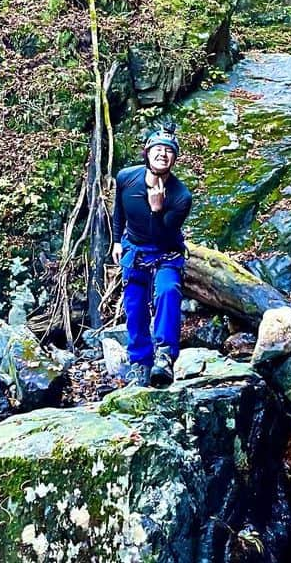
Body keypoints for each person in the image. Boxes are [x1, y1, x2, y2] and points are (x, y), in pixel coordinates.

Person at [111, 126, 192, 387]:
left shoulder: (181, 196)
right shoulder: (126, 177)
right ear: (147, 153)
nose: (163, 155)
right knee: (134, 305)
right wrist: (115, 240)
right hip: (134, 249)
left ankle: (165, 356)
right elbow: (119, 210)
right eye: (158, 149)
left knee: (168, 291)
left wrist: (157, 209)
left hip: (166, 251)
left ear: (175, 159)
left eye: (169, 151)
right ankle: (139, 362)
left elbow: (164, 237)